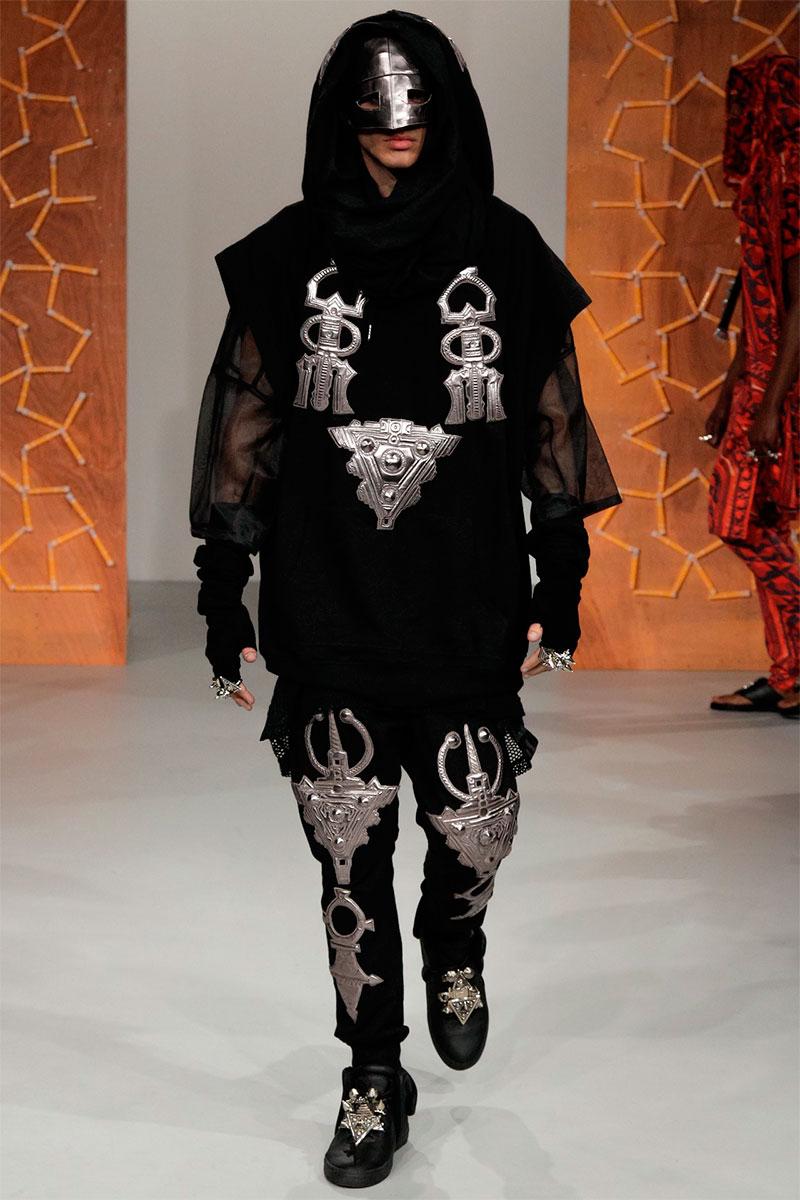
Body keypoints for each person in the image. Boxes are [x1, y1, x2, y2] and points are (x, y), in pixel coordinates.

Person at [190, 12, 619, 1188]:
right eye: (376, 112)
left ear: (449, 111)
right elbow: (245, 433)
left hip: (462, 590)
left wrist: (560, 582)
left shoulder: (502, 249)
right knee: (347, 853)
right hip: (329, 593)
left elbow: (550, 422)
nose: (396, 129)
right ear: (340, 118)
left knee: (472, 825)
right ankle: (371, 1075)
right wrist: (221, 596)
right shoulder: (288, 257)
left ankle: (455, 935)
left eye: (417, 108)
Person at [705, 54, 799, 719]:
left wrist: (767, 405)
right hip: (761, 381)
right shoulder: (766, 182)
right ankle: (788, 669)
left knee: (744, 524)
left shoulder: (792, 184)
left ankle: (794, 668)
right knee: (758, 526)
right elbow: (762, 303)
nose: (739, 120)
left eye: (752, 105)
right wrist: (729, 387)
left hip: (782, 390)